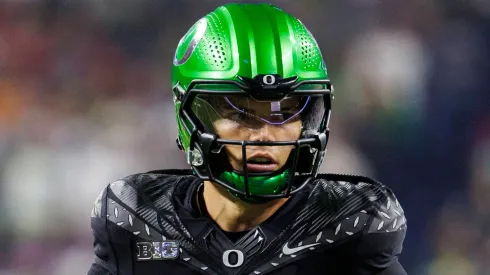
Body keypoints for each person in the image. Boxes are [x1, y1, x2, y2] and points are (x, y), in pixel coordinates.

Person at [88, 3, 407, 275]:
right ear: (192, 117)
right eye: (241, 115)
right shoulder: (135, 220)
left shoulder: (352, 225)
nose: (265, 135)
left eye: (283, 114)